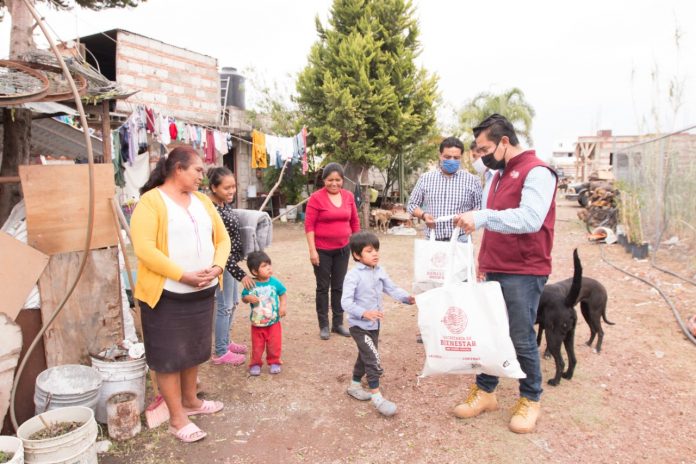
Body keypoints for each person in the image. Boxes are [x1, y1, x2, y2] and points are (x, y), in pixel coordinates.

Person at [453, 114, 558, 434]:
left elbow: (530, 219)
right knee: (489, 332)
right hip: (494, 265)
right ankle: (486, 392)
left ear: (504, 142)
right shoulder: (498, 174)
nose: (481, 156)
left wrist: (482, 216)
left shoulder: (538, 172)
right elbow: (493, 220)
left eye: (484, 149)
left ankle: (531, 398)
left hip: (524, 270)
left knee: (521, 336)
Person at [130, 146, 230, 443]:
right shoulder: (151, 202)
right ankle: (176, 418)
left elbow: (221, 238)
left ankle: (192, 402)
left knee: (193, 350)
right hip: (166, 294)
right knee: (169, 356)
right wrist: (181, 275)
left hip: (201, 292)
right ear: (178, 169)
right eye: (198, 170)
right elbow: (145, 249)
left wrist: (217, 266)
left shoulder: (202, 201)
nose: (203, 175)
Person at [341, 231, 415, 416]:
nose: (375, 254)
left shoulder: (379, 270)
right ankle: (377, 397)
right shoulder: (353, 276)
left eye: (376, 250)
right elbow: (346, 302)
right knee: (373, 359)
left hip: (374, 326)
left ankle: (355, 385)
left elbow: (392, 288)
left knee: (365, 355)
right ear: (357, 255)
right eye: (369, 251)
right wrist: (364, 313)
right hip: (359, 326)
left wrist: (406, 298)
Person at [305, 162, 361, 340]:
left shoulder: (348, 196)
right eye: (330, 180)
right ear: (324, 180)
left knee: (339, 287)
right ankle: (324, 325)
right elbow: (309, 226)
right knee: (323, 288)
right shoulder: (316, 198)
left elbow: (354, 222)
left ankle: (338, 323)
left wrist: (356, 247)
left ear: (342, 180)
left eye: (337, 180)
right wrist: (312, 251)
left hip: (343, 249)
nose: (334, 183)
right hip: (321, 250)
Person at [206, 167, 256, 366]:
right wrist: (240, 273)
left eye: (233, 187)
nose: (231, 191)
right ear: (213, 187)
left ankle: (225, 342)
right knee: (224, 307)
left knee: (233, 303)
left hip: (232, 263)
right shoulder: (210, 209)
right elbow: (218, 245)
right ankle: (220, 351)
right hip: (222, 265)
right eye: (226, 188)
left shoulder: (223, 204)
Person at [407, 136, 482, 242]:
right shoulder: (426, 178)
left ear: (460, 157)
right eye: (447, 157)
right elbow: (411, 204)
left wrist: (465, 218)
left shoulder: (472, 180)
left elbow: (479, 208)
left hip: (461, 239)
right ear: (440, 155)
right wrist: (424, 215)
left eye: (456, 158)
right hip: (433, 240)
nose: (452, 161)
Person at [241, 251, 287, 376]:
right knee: (257, 346)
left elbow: (282, 293)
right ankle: (255, 364)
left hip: (273, 322)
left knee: (274, 344)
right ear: (255, 271)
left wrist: (283, 306)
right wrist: (248, 298)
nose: (269, 268)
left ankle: (274, 362)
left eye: (269, 265)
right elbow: (244, 297)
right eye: (264, 266)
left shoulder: (274, 282)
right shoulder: (251, 284)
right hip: (257, 323)